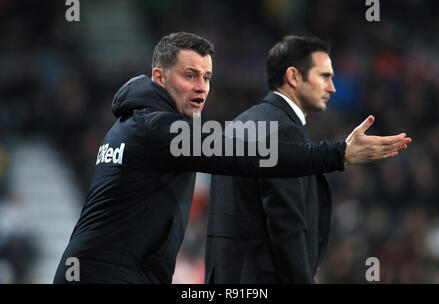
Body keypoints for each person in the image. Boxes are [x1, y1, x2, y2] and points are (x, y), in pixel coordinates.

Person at [53, 32, 410, 284]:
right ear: (159, 77)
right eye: (190, 76)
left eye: (207, 77)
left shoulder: (134, 124)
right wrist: (338, 154)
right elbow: (252, 155)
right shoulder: (158, 129)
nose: (202, 88)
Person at [204, 36, 410, 283]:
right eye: (324, 76)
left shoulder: (240, 124)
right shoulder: (283, 131)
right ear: (294, 77)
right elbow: (286, 227)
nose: (332, 87)